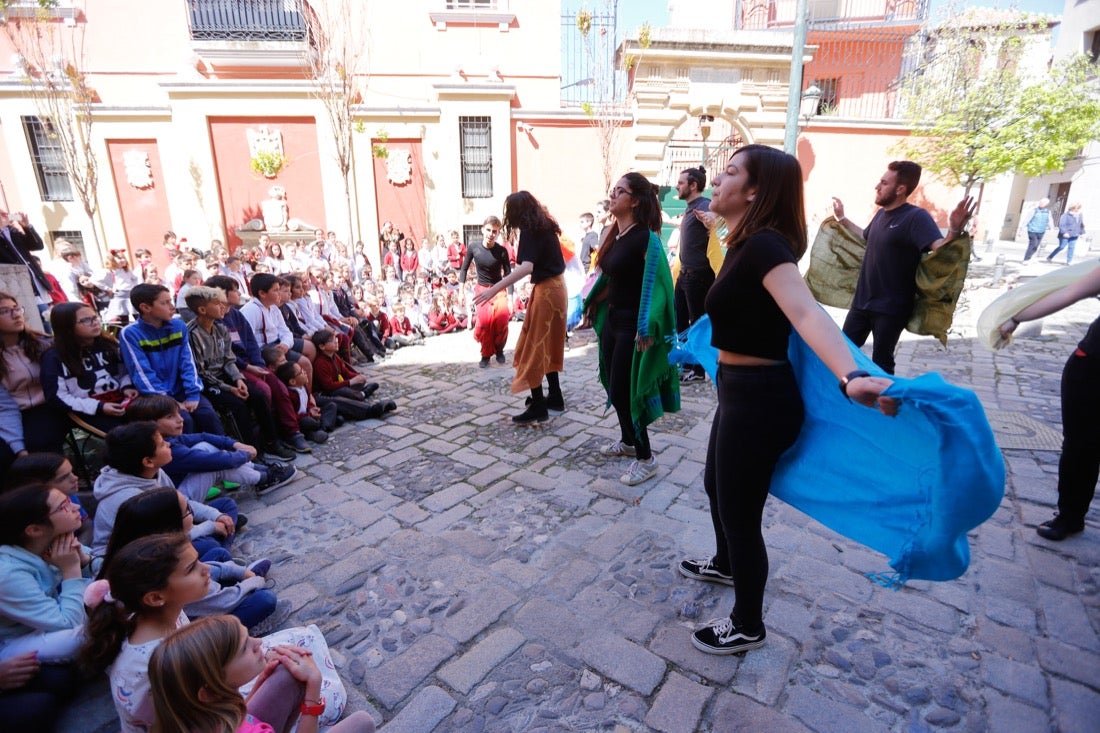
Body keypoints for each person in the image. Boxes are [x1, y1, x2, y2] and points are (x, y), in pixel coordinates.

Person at [684, 144, 896, 655]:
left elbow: (806, 314)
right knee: (715, 483)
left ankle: (747, 622)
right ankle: (726, 563)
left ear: (756, 191)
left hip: (759, 403)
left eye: (730, 172)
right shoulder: (744, 241)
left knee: (739, 511)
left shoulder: (765, 247)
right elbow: (738, 287)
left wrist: (850, 376)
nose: (718, 177)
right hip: (738, 395)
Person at [832, 161, 974, 374]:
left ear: (900, 189)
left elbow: (939, 249)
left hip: (891, 308)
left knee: (882, 361)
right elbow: (865, 235)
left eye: (883, 183)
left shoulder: (916, 218)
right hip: (863, 302)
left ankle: (885, 403)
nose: (877, 187)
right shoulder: (881, 214)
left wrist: (954, 229)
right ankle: (845, 396)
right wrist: (842, 219)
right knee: (843, 351)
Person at [586, 172, 680, 486]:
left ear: (635, 200)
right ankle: (628, 441)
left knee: (623, 392)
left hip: (634, 327)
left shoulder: (646, 238)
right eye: (613, 190)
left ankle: (646, 458)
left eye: (620, 191)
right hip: (613, 321)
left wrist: (648, 325)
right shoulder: (615, 234)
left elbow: (659, 286)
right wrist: (593, 301)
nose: (613, 195)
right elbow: (612, 279)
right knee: (613, 385)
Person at [999, 263, 1100, 541]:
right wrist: (1015, 317)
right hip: (1093, 369)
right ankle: (1070, 516)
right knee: (1081, 446)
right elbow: (1069, 292)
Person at [80, 532, 214, 733]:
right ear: (155, 598)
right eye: (192, 568)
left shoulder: (156, 617)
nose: (207, 568)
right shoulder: (163, 660)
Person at [150, 615, 375, 733]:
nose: (259, 642)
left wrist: (263, 679)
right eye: (245, 648)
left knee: (286, 674)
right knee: (363, 723)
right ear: (208, 693)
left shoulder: (190, 713)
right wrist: (313, 689)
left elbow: (236, 722)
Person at [474, 191, 567, 424]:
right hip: (557, 289)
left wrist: (495, 288)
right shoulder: (544, 224)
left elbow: (527, 267)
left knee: (532, 346)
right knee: (547, 344)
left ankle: (538, 406)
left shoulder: (530, 230)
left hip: (547, 292)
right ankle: (554, 397)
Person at [91, 421, 241, 561]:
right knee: (208, 544)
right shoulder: (131, 499)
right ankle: (220, 554)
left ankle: (221, 552)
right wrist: (209, 527)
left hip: (170, 528)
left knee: (226, 507)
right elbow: (162, 542)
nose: (169, 444)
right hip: (137, 557)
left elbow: (181, 502)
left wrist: (215, 516)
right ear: (148, 461)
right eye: (162, 444)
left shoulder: (152, 472)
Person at [126, 394, 296, 501]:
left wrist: (235, 444)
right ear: (151, 425)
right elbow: (214, 461)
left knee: (205, 445)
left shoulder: (168, 438)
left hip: (179, 492)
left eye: (179, 414)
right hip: (178, 503)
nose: (181, 420)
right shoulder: (166, 449)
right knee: (213, 466)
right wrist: (244, 454)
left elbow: (203, 436)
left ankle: (262, 471)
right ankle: (264, 479)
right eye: (171, 417)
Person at [186, 286, 286, 461]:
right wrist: (229, 388)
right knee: (237, 405)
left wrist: (238, 379)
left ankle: (272, 442)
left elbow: (228, 359)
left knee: (258, 395)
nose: (223, 307)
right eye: (217, 304)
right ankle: (251, 452)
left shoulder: (220, 328)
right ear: (202, 309)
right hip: (207, 382)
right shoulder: (192, 334)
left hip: (226, 375)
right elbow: (200, 371)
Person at [120, 282, 225, 435]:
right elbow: (142, 373)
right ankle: (191, 457)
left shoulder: (178, 326)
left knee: (208, 415)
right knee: (184, 421)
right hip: (155, 396)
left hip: (183, 389)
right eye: (165, 302)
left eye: (171, 300)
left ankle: (226, 456)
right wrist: (171, 402)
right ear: (145, 307)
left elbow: (188, 363)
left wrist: (192, 394)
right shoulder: (130, 333)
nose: (172, 306)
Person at [0, 483, 88, 664]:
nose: (76, 507)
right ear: (34, 530)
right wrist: (71, 570)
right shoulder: (7, 573)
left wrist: (85, 561)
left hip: (56, 620)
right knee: (77, 639)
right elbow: (67, 622)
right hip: (17, 640)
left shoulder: (56, 540)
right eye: (64, 506)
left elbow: (111, 568)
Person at [42, 301, 136, 436]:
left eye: (95, 317)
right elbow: (57, 397)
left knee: (159, 418)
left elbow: (124, 372)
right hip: (88, 410)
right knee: (128, 437)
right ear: (66, 326)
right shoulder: (54, 357)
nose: (94, 322)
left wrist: (127, 387)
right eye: (85, 320)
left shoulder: (109, 345)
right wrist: (99, 407)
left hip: (123, 401)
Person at [0, 292, 70, 453]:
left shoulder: (43, 344)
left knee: (38, 442)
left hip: (48, 406)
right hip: (12, 413)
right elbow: (4, 407)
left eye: (16, 309)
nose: (16, 315)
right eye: (4, 311)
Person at [673, 166, 714, 384]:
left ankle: (698, 370)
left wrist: (711, 217)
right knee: (681, 322)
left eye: (681, 183)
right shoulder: (690, 208)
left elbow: (715, 218)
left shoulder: (704, 205)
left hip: (698, 276)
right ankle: (687, 364)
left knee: (696, 323)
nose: (677, 186)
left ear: (693, 185)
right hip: (685, 274)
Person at [460, 216, 512, 367]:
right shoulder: (473, 247)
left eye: (494, 231)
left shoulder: (502, 251)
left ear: (498, 233)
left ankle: (500, 350)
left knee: (502, 321)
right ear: (482, 230)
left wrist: (510, 298)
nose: (491, 234)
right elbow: (463, 269)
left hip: (499, 289)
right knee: (484, 322)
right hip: (481, 290)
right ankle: (486, 354)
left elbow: (508, 275)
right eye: (488, 230)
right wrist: (461, 292)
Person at [1023, 197, 1054, 262]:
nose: (1041, 204)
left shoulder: (1047, 212)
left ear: (1046, 204)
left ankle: (1030, 257)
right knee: (1033, 244)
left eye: (1043, 203)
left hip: (1041, 231)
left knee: (1036, 246)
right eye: (1041, 202)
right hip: (1032, 230)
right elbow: (1027, 220)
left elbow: (1050, 220)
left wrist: (1052, 228)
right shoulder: (1034, 211)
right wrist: (1021, 229)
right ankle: (1026, 259)